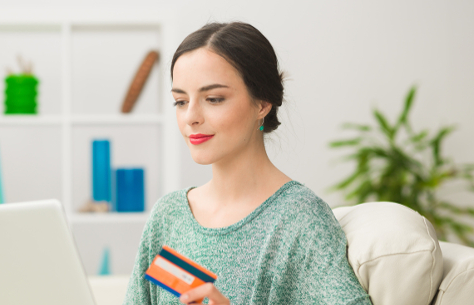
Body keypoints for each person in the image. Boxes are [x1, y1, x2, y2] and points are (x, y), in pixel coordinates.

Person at [123, 22, 372, 305]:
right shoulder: (168, 217)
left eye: (214, 99)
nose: (190, 116)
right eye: (180, 101)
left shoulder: (300, 220)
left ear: (262, 103)